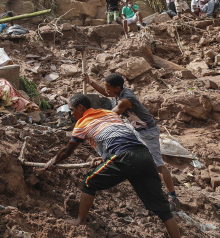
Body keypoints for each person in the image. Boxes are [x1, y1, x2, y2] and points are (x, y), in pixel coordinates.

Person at [45, 94, 181, 238]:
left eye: (72, 110)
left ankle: (80, 220)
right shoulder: (108, 113)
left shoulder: (82, 123)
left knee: (90, 181)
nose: (71, 114)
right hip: (144, 155)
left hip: (124, 156)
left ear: (81, 108)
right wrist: (105, 158)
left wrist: (53, 162)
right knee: (163, 208)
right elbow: (115, 136)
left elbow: (68, 150)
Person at [83, 73, 181, 211]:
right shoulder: (118, 92)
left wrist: (88, 121)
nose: (107, 91)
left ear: (117, 88)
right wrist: (90, 82)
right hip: (134, 128)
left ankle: (172, 197)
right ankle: (107, 157)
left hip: (148, 132)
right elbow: (105, 94)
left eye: (108, 88)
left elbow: (111, 116)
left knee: (158, 165)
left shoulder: (125, 100)